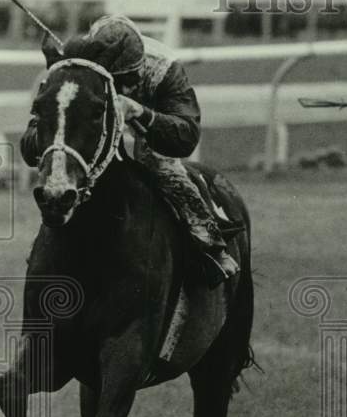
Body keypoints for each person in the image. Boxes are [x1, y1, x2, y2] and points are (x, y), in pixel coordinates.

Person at [20, 15, 241, 284]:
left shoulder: (163, 68)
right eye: (120, 81)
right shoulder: (81, 67)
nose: (129, 87)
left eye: (133, 78)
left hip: (154, 124)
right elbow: (30, 144)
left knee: (163, 168)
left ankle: (209, 243)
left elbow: (186, 136)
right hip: (97, 128)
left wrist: (141, 112)